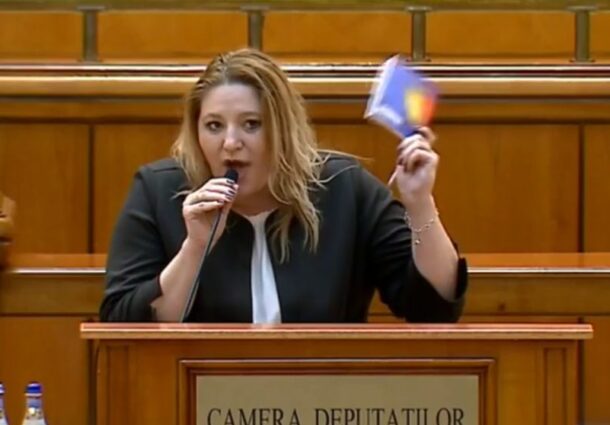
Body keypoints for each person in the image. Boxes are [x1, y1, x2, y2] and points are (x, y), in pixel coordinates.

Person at [99, 48, 467, 323]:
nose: (230, 143)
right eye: (214, 126)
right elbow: (124, 325)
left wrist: (420, 202)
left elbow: (435, 307)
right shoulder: (158, 192)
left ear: (283, 132)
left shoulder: (343, 188)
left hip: (324, 391)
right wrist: (194, 248)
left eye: (251, 124)